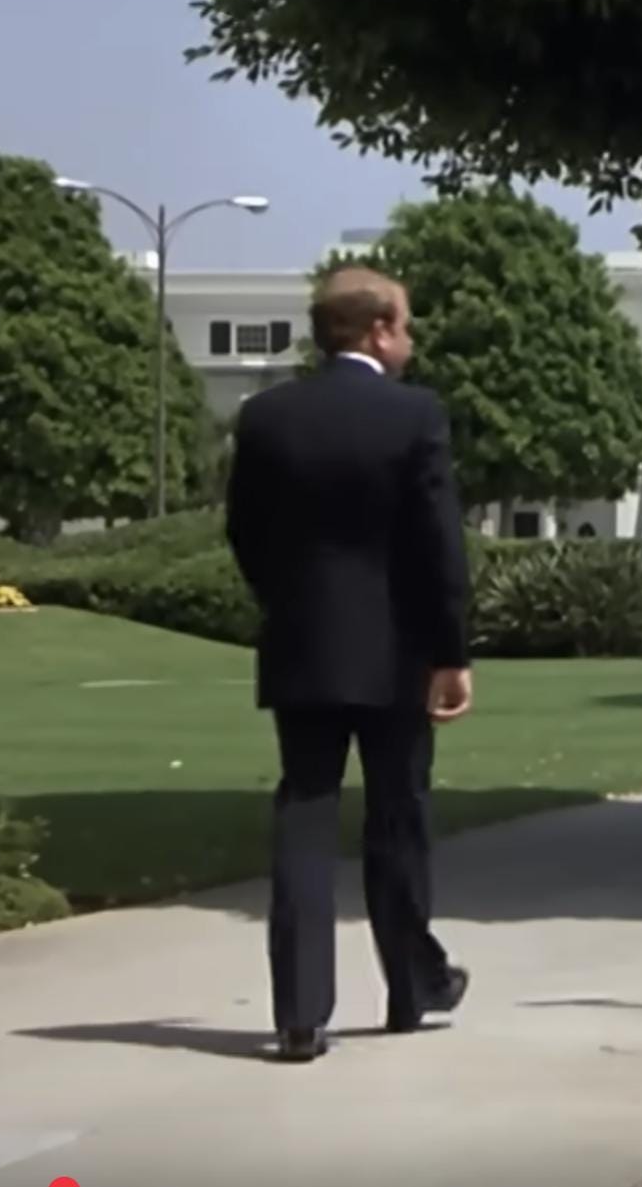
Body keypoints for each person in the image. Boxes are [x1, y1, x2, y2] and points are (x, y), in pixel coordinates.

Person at [225, 267, 475, 1063]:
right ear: (377, 329)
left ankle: (301, 1013)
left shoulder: (267, 416)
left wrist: (288, 600)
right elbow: (438, 543)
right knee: (398, 814)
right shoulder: (415, 414)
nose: (412, 338)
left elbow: (244, 532)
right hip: (397, 649)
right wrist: (450, 651)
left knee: (305, 813)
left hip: (303, 643)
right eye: (407, 323)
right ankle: (409, 988)